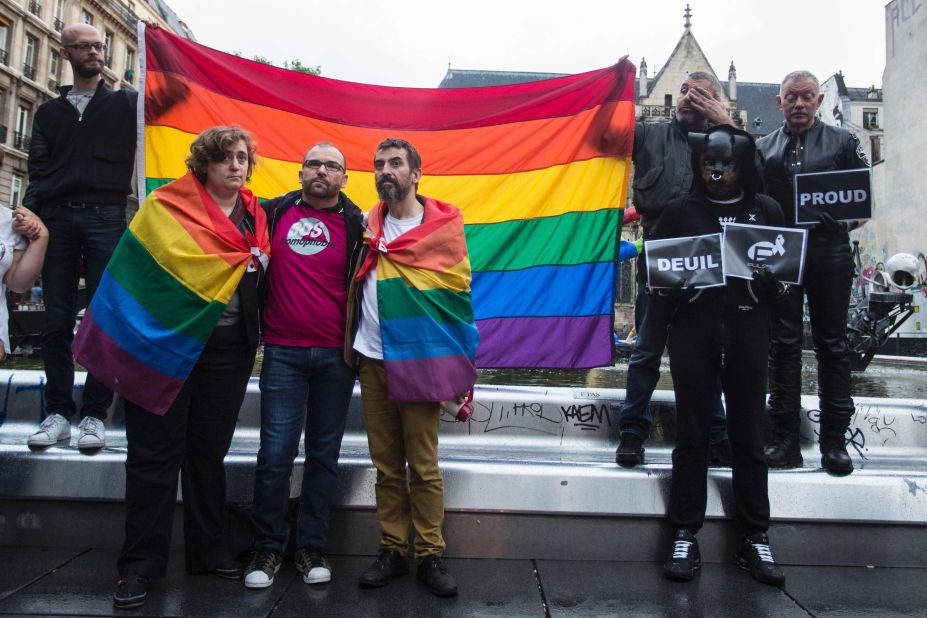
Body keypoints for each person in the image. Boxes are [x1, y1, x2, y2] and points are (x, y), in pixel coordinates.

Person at [71, 126, 269, 609]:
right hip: (162, 350)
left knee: (207, 454)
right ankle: (138, 566)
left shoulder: (257, 216)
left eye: (242, 157)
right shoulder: (164, 207)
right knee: (153, 458)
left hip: (227, 354)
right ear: (203, 163)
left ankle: (208, 552)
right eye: (225, 157)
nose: (236, 165)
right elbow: (135, 276)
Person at [345, 138, 478, 598]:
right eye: (379, 164)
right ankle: (391, 549)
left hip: (419, 361)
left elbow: (456, 294)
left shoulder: (443, 226)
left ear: (416, 174)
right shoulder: (365, 225)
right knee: (385, 467)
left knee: (423, 466)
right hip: (375, 359)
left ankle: (430, 554)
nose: (386, 170)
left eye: (396, 163)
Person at [655, 125, 786, 587]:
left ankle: (755, 535)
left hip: (749, 330)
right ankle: (685, 532)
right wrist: (676, 291)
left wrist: (774, 286)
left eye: (727, 163)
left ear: (744, 166)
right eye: (709, 161)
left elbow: (785, 283)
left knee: (750, 432)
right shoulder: (678, 212)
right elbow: (659, 279)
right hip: (694, 333)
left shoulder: (766, 211)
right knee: (691, 433)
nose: (717, 170)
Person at [244, 143, 363, 589]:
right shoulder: (270, 214)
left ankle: (312, 546)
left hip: (337, 356)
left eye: (332, 166)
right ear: (300, 173)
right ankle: (268, 549)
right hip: (282, 352)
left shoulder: (359, 225)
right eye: (314, 163)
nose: (321, 171)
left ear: (344, 179)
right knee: (275, 455)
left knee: (323, 456)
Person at [24, 23, 137, 452]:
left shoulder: (126, 104)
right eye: (84, 46)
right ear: (66, 53)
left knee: (105, 316)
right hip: (56, 220)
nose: (95, 52)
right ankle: (57, 413)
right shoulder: (49, 113)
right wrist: (31, 218)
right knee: (55, 318)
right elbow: (37, 167)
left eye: (98, 46)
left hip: (108, 218)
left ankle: (94, 414)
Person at [615, 72, 733, 468]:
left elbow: (758, 173)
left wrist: (725, 121)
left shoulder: (724, 141)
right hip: (660, 249)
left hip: (707, 257)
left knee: (707, 352)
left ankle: (716, 433)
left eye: (699, 94)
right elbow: (605, 136)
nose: (687, 98)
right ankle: (632, 431)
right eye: (683, 91)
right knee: (646, 350)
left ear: (715, 102)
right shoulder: (649, 135)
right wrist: (616, 88)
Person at [757, 71, 869, 476]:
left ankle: (834, 444)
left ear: (819, 100)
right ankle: (784, 440)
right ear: (779, 102)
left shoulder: (843, 141)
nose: (800, 104)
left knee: (833, 345)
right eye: (792, 97)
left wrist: (841, 223)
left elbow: (863, 200)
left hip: (830, 249)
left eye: (807, 97)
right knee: (782, 345)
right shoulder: (765, 146)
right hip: (784, 252)